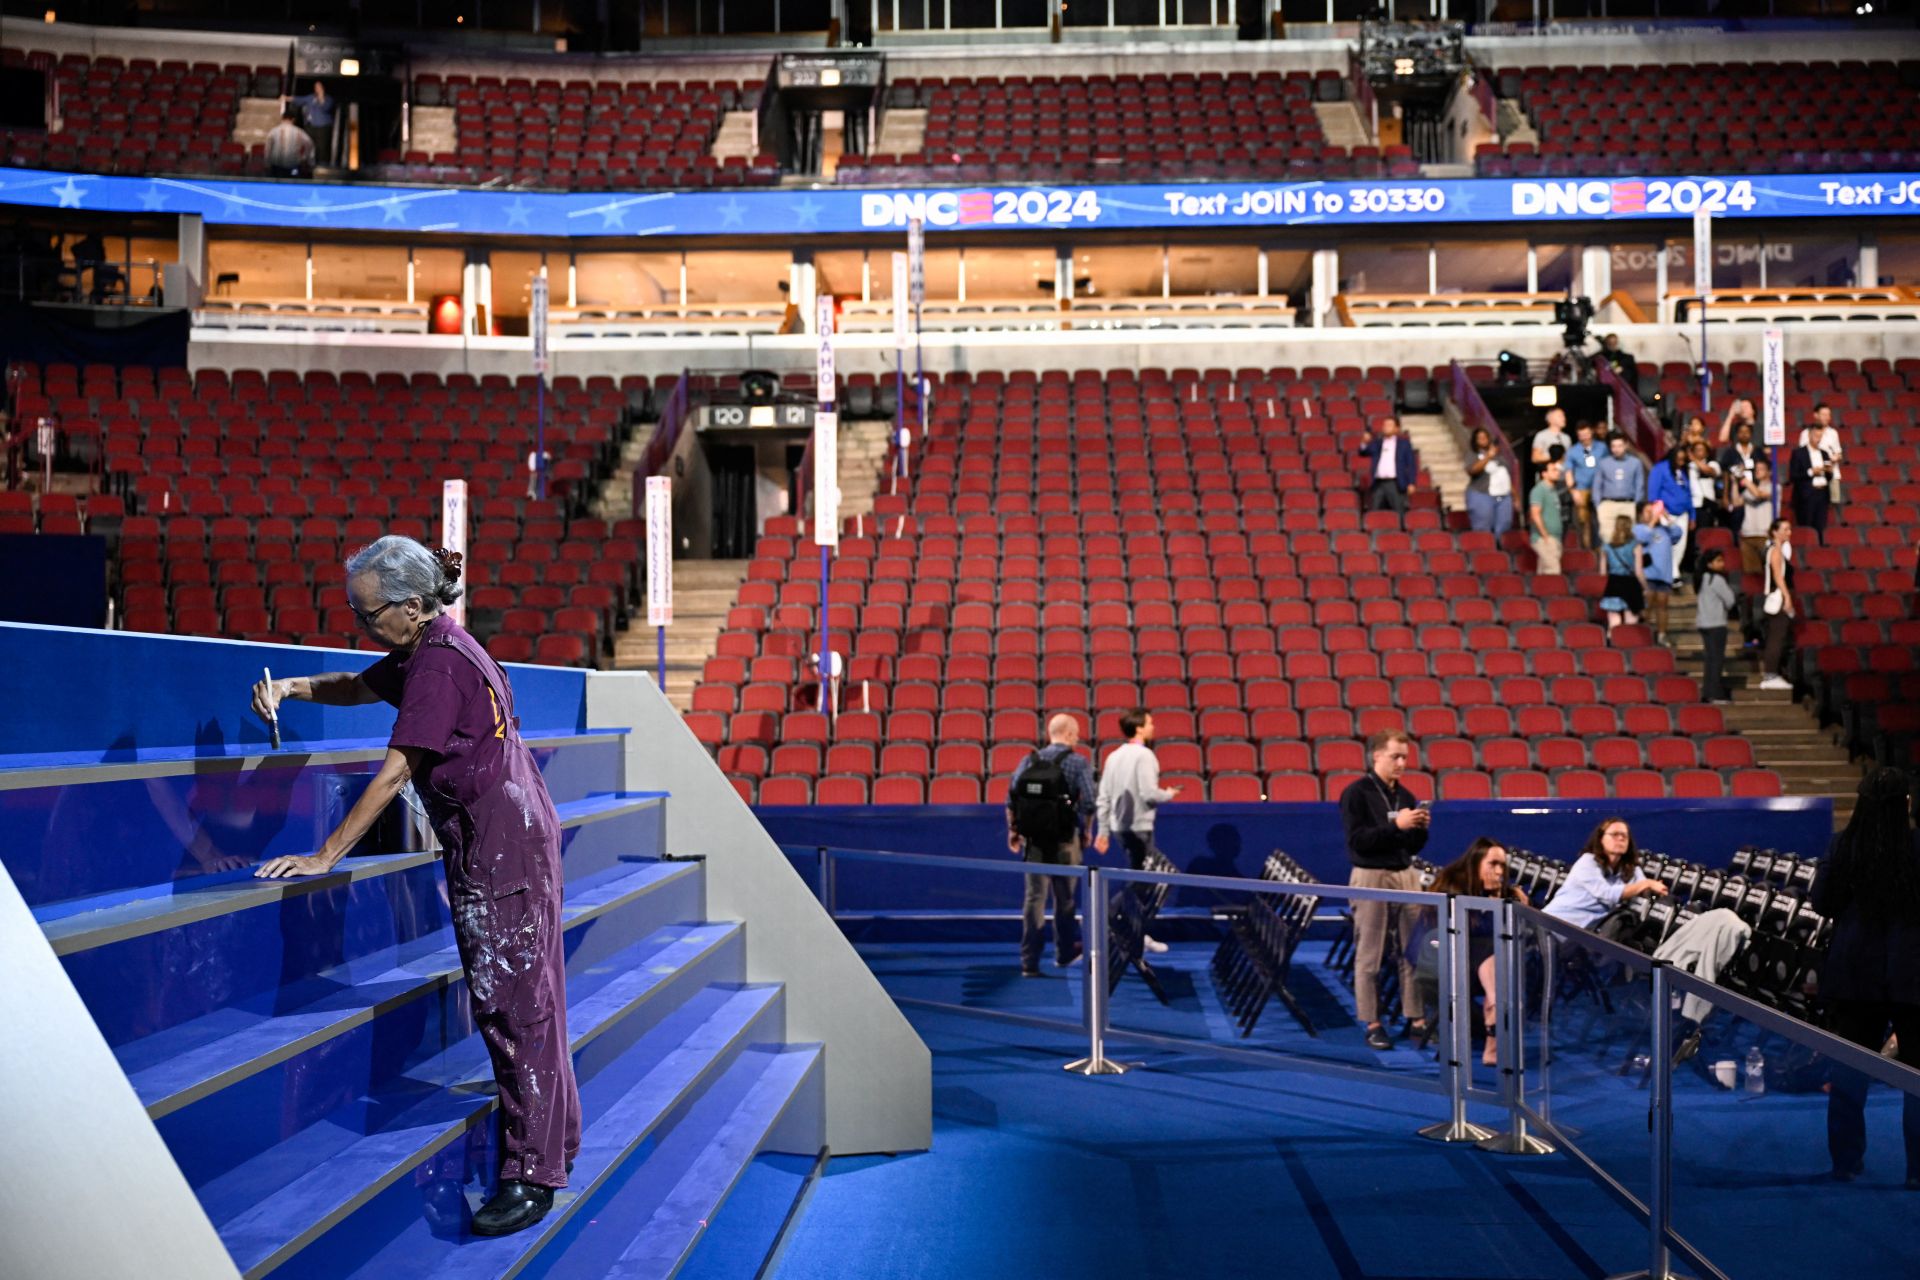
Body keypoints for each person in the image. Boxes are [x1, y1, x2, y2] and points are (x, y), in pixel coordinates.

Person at [251, 536, 579, 1236]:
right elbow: (358, 685)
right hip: (508, 830)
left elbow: (396, 770)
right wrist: (291, 688)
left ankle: (532, 1176)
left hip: (501, 846)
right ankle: (553, 1147)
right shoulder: (432, 647)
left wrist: (325, 855)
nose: (361, 626)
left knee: (513, 1010)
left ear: (407, 606)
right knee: (530, 999)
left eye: (366, 615)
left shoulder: (435, 668)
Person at [1542, 818, 1749, 1063]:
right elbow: (1609, 895)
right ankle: (1543, 1023)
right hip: (1553, 927)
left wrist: (1651, 890)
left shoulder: (1632, 870)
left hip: (1584, 934)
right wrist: (1645, 884)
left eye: (1625, 836)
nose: (1620, 839)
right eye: (1615, 834)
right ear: (1600, 838)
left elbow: (1647, 897)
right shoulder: (1588, 862)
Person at [1810, 768, 1920, 1186]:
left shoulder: (1843, 846)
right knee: (1917, 1075)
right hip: (1913, 975)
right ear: (1905, 804)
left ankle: (1846, 1161)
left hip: (1855, 975)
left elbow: (1822, 903)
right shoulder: (1918, 847)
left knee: (1849, 1069)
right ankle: (1917, 1171)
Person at [1339, 728, 1430, 1051]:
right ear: (1376, 755)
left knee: (1413, 950)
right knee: (1370, 953)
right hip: (1370, 875)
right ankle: (1373, 1021)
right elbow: (1358, 841)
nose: (1402, 763)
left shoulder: (1404, 796)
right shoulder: (1356, 793)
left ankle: (1415, 1016)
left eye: (1405, 757)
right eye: (1395, 756)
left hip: (1405, 874)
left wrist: (1418, 829)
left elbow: (1412, 846)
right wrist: (1396, 826)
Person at [1414, 838, 1527, 1065]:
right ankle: (1494, 1028)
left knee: (1499, 953)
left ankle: (1494, 1013)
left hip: (1479, 970)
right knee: (1492, 947)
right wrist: (1498, 907)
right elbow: (1461, 932)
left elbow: (1518, 934)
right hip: (1439, 964)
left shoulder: (1501, 892)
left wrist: (1520, 907)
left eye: (1503, 866)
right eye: (1493, 864)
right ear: (1475, 864)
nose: (1499, 872)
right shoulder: (1453, 887)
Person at [1008, 713, 1095, 977]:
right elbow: (1090, 802)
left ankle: (1029, 962)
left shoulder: (1029, 760)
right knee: (1065, 900)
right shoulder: (1078, 762)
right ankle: (1064, 953)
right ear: (1068, 734)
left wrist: (1013, 831)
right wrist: (1087, 830)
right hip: (1065, 842)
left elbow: (1011, 799)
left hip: (1033, 842)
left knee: (1034, 899)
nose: (1078, 739)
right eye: (1077, 734)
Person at [1094, 707, 1179, 954]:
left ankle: (1133, 930)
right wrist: (1169, 794)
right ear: (1139, 727)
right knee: (1143, 883)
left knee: (1141, 880)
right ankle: (1112, 919)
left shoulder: (1113, 756)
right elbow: (1149, 793)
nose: (1153, 727)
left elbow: (1104, 797)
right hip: (1139, 828)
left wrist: (1103, 831)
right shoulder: (1145, 756)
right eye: (1150, 723)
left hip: (1120, 828)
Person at [1635, 501, 1684, 645]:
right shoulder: (1639, 528)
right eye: (1647, 512)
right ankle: (1644, 635)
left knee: (1663, 605)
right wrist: (1651, 522)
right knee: (1646, 606)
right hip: (1647, 575)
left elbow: (1678, 534)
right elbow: (1642, 538)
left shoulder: (1664, 530)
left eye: (1653, 511)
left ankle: (1662, 635)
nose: (1651, 514)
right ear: (1640, 514)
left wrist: (1667, 519)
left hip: (1664, 575)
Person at [1695, 547, 1738, 704]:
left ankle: (1708, 691)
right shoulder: (1717, 580)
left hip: (1703, 623)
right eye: (1718, 561)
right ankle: (1715, 693)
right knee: (1716, 659)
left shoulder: (1701, 579)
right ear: (1709, 564)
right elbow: (1730, 600)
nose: (1722, 564)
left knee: (1710, 659)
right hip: (1716, 623)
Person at [1790, 407, 1841, 540]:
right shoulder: (1799, 454)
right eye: (1815, 436)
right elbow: (1793, 475)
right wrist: (1811, 472)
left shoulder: (1824, 453)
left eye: (1820, 437)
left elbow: (1829, 476)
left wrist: (1829, 472)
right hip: (1807, 494)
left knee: (1820, 527)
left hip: (1822, 494)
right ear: (1809, 436)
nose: (1818, 439)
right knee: (1806, 527)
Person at [1759, 517, 1796, 692]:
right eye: (1785, 529)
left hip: (1780, 595)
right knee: (1776, 638)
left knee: (1780, 638)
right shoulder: (1774, 551)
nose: (1789, 533)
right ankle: (1770, 675)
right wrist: (1787, 596)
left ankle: (1774, 673)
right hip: (1778, 597)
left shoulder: (1779, 550)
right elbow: (1777, 576)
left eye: (1789, 529)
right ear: (1775, 531)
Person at [1648, 448, 1695, 576]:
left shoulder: (1682, 472)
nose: (1681, 462)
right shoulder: (1660, 469)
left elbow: (1688, 494)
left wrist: (1692, 516)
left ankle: (1673, 574)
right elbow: (1653, 494)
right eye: (1678, 459)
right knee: (1664, 545)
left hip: (1682, 514)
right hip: (1665, 513)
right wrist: (1660, 510)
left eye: (1683, 460)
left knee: (1680, 547)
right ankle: (1668, 574)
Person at [1593, 432, 1646, 544]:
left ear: (1626, 445)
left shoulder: (1635, 463)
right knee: (1607, 538)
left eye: (1619, 446)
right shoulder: (1604, 463)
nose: (1616, 449)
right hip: (1608, 504)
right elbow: (1597, 485)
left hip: (1628, 504)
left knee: (1628, 538)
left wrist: (1635, 504)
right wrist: (1598, 505)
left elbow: (1639, 485)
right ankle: (1607, 562)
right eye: (1613, 446)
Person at [1359, 414, 1415, 515]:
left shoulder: (1404, 444)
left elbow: (1411, 464)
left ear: (1396, 429)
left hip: (1395, 483)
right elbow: (1363, 452)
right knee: (1375, 512)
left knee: (1398, 512)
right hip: (1378, 483)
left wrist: (1411, 482)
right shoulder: (1377, 443)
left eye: (1389, 425)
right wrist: (1364, 442)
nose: (1386, 427)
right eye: (1385, 425)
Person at [1463, 426, 1514, 536]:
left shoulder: (1500, 456)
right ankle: (1484, 550)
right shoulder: (1473, 454)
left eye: (1485, 437)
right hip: (1482, 494)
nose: (1483, 440)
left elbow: (1506, 477)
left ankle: (1500, 550)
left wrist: (1516, 497)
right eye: (1480, 438)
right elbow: (1472, 470)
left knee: (1505, 526)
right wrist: (1488, 457)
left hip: (1503, 496)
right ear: (1475, 441)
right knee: (1483, 527)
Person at [1599, 513, 1645, 634]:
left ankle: (1613, 645)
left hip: (1613, 583)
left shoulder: (1606, 547)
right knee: (1631, 625)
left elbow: (1603, 572)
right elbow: (1638, 571)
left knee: (1614, 625)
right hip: (1630, 584)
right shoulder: (1636, 545)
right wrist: (1645, 586)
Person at [1565, 420, 1603, 549]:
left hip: (1599, 489)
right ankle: (1587, 550)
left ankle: (1600, 549)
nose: (1585, 437)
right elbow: (1568, 472)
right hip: (1581, 489)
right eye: (1581, 434)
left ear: (1591, 432)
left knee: (1600, 519)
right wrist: (1573, 490)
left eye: (1587, 433)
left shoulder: (1602, 448)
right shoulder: (1573, 451)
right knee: (1583, 521)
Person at [1718, 420, 1760, 533]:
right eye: (1741, 431)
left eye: (1747, 431)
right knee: (1736, 524)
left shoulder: (1758, 452)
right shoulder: (1730, 452)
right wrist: (1725, 496)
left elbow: (1764, 470)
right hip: (1736, 494)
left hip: (1755, 493)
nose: (1744, 434)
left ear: (1751, 434)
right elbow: (1726, 474)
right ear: (1737, 434)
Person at [1737, 456, 1775, 575]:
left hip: (1765, 534)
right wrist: (1734, 481)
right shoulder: (1751, 488)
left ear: (1769, 472)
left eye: (1762, 469)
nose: (1758, 471)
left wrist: (1744, 479)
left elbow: (1758, 494)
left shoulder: (1774, 487)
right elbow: (1735, 502)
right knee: (1751, 573)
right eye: (1756, 469)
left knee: (1768, 571)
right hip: (1748, 534)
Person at [1529, 456, 1566, 576]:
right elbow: (1535, 514)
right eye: (1553, 470)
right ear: (1544, 474)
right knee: (1553, 573)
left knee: (1544, 575)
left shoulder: (1553, 490)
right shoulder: (1539, 490)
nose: (1557, 472)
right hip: (1545, 539)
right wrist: (1545, 536)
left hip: (1555, 538)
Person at [288, 79, 337, 166]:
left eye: (319, 87)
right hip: (310, 126)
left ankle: (322, 166)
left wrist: (321, 97)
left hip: (322, 127)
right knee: (308, 145)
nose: (317, 89)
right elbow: (299, 99)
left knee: (321, 148)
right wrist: (286, 98)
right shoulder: (310, 97)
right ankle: (308, 164)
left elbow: (325, 108)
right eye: (316, 87)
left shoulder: (329, 99)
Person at [1530, 406, 1571, 495]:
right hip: (1547, 478)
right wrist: (1553, 457)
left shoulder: (1566, 438)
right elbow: (1535, 458)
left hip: (1562, 479)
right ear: (1551, 419)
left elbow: (1568, 458)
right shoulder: (1541, 436)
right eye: (1560, 416)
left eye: (1563, 416)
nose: (1564, 418)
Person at [265, 107, 316, 178]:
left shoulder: (274, 131)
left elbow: (268, 148)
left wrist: (267, 163)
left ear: (282, 118)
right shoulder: (299, 132)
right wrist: (305, 158)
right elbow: (310, 144)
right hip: (293, 165)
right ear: (293, 119)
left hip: (277, 166)